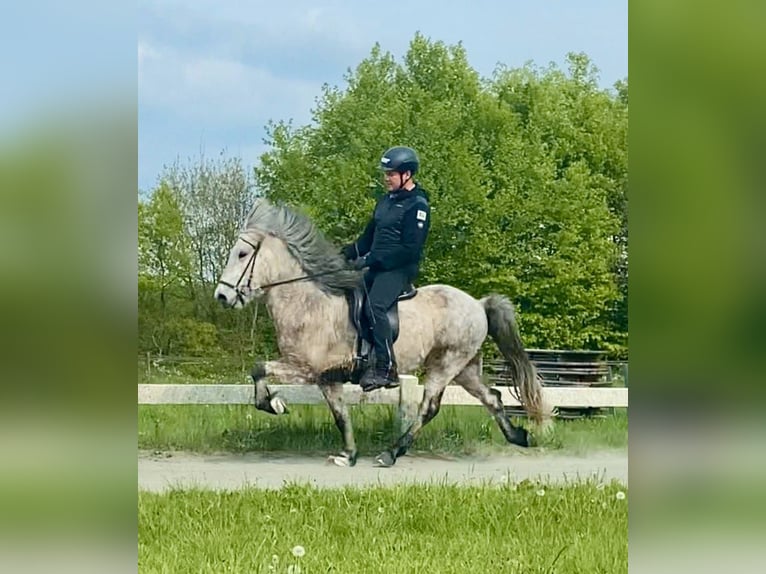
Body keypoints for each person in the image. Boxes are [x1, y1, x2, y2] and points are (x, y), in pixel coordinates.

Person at [342, 146, 431, 392]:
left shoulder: (418, 205)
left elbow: (409, 250)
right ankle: (362, 358)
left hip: (399, 269)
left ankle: (387, 368)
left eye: (391, 173)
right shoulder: (385, 202)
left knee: (375, 306)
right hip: (378, 266)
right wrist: (346, 253)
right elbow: (366, 240)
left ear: (407, 174)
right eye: (386, 173)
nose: (386, 177)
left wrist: (372, 261)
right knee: (349, 296)